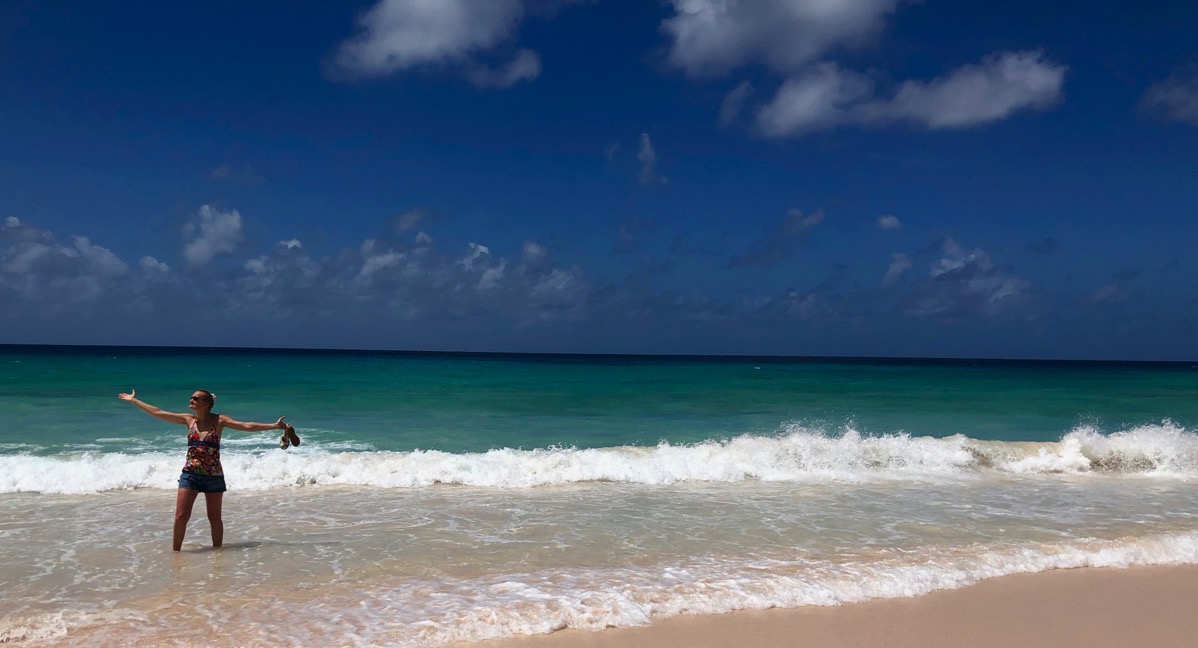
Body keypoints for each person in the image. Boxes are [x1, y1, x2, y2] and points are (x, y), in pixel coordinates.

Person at [118, 388, 299, 551]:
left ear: (206, 404)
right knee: (181, 515)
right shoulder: (188, 420)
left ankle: (218, 554)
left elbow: (247, 426)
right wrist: (135, 401)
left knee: (214, 517)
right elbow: (158, 412)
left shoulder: (219, 420)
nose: (191, 400)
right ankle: (176, 553)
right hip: (190, 474)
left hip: (213, 475)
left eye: (195, 398)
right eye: (192, 397)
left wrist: (274, 426)